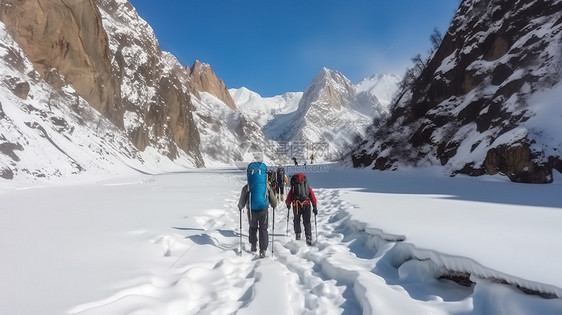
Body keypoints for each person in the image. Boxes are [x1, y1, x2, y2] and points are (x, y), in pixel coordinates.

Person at [238, 167, 278, 258]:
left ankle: (253, 245)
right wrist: (274, 205)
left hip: (251, 211)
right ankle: (263, 250)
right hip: (263, 210)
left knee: (252, 228)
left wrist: (240, 207)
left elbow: (242, 200)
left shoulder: (248, 186)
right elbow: (273, 200)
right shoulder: (266, 185)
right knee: (263, 229)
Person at [286, 173, 317, 245]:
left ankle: (298, 234)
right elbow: (312, 195)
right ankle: (308, 237)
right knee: (307, 221)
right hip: (306, 204)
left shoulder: (294, 185)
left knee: (296, 220)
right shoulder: (307, 185)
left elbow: (289, 197)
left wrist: (288, 204)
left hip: (296, 205)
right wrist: (314, 206)